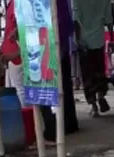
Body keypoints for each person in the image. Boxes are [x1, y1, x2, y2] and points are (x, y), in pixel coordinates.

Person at [39, 0, 79, 142]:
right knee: (63, 88)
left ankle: (56, 127)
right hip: (55, 45)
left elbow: (64, 22)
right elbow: (67, 24)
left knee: (52, 88)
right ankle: (67, 124)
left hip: (51, 47)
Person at [73, 0, 113, 116]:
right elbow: (109, 20)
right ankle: (101, 94)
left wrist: (78, 39)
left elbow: (75, 20)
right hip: (98, 40)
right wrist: (111, 39)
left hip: (84, 42)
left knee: (87, 75)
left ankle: (94, 106)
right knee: (99, 71)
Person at [0, 0, 24, 106]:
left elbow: (24, 27)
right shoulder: (11, 4)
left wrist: (16, 53)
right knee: (16, 89)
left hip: (18, 54)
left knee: (20, 90)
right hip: (12, 54)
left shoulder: (18, 3)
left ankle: (26, 117)